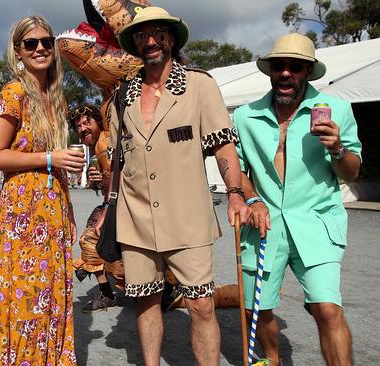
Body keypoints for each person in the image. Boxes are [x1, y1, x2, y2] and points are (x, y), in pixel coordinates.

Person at [97, 7, 249, 365]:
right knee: (146, 302)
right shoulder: (123, 95)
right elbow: (118, 158)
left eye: (158, 33)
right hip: (135, 221)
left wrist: (235, 193)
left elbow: (223, 144)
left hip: (188, 220)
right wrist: (108, 207)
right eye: (141, 35)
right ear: (134, 42)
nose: (150, 41)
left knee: (201, 306)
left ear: (171, 39)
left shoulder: (199, 85)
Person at [233, 33, 361, 366]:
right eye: (280, 66)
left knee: (327, 308)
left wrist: (337, 147)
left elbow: (352, 172)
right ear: (270, 71)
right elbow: (237, 169)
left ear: (308, 71)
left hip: (316, 222)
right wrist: (251, 199)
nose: (287, 73)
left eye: (296, 67)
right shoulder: (245, 117)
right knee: (255, 309)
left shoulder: (337, 110)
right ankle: (272, 360)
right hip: (263, 225)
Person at [0, 15, 85, 365]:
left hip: (53, 208)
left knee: (51, 291)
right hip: (23, 215)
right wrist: (48, 156)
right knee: (28, 294)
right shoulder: (14, 92)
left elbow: (57, 165)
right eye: (31, 43)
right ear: (18, 52)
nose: (40, 48)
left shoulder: (54, 98)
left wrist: (69, 211)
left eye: (46, 41)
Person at [68, 104, 125, 312]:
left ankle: (108, 294)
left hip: (120, 204)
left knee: (90, 239)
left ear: (98, 122)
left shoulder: (104, 142)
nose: (83, 128)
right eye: (78, 126)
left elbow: (117, 177)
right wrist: (98, 181)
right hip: (115, 202)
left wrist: (107, 209)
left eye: (86, 122)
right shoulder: (98, 147)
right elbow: (108, 178)